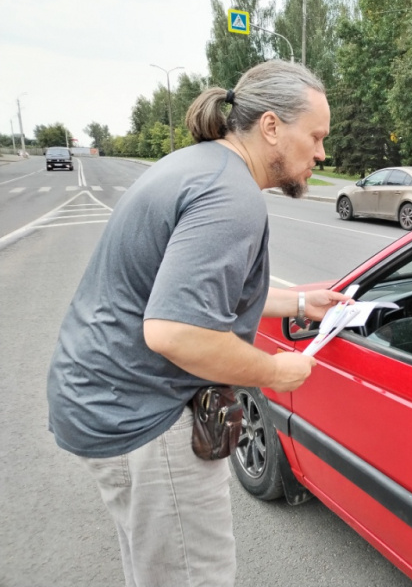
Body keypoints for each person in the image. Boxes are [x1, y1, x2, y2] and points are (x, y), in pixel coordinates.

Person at [46, 60, 350, 587]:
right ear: (272, 126)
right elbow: (175, 331)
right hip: (144, 416)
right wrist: (277, 372)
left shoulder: (201, 165)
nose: (322, 153)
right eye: (317, 136)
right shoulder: (230, 198)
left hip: (99, 398)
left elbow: (204, 296)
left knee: (154, 566)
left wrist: (300, 304)